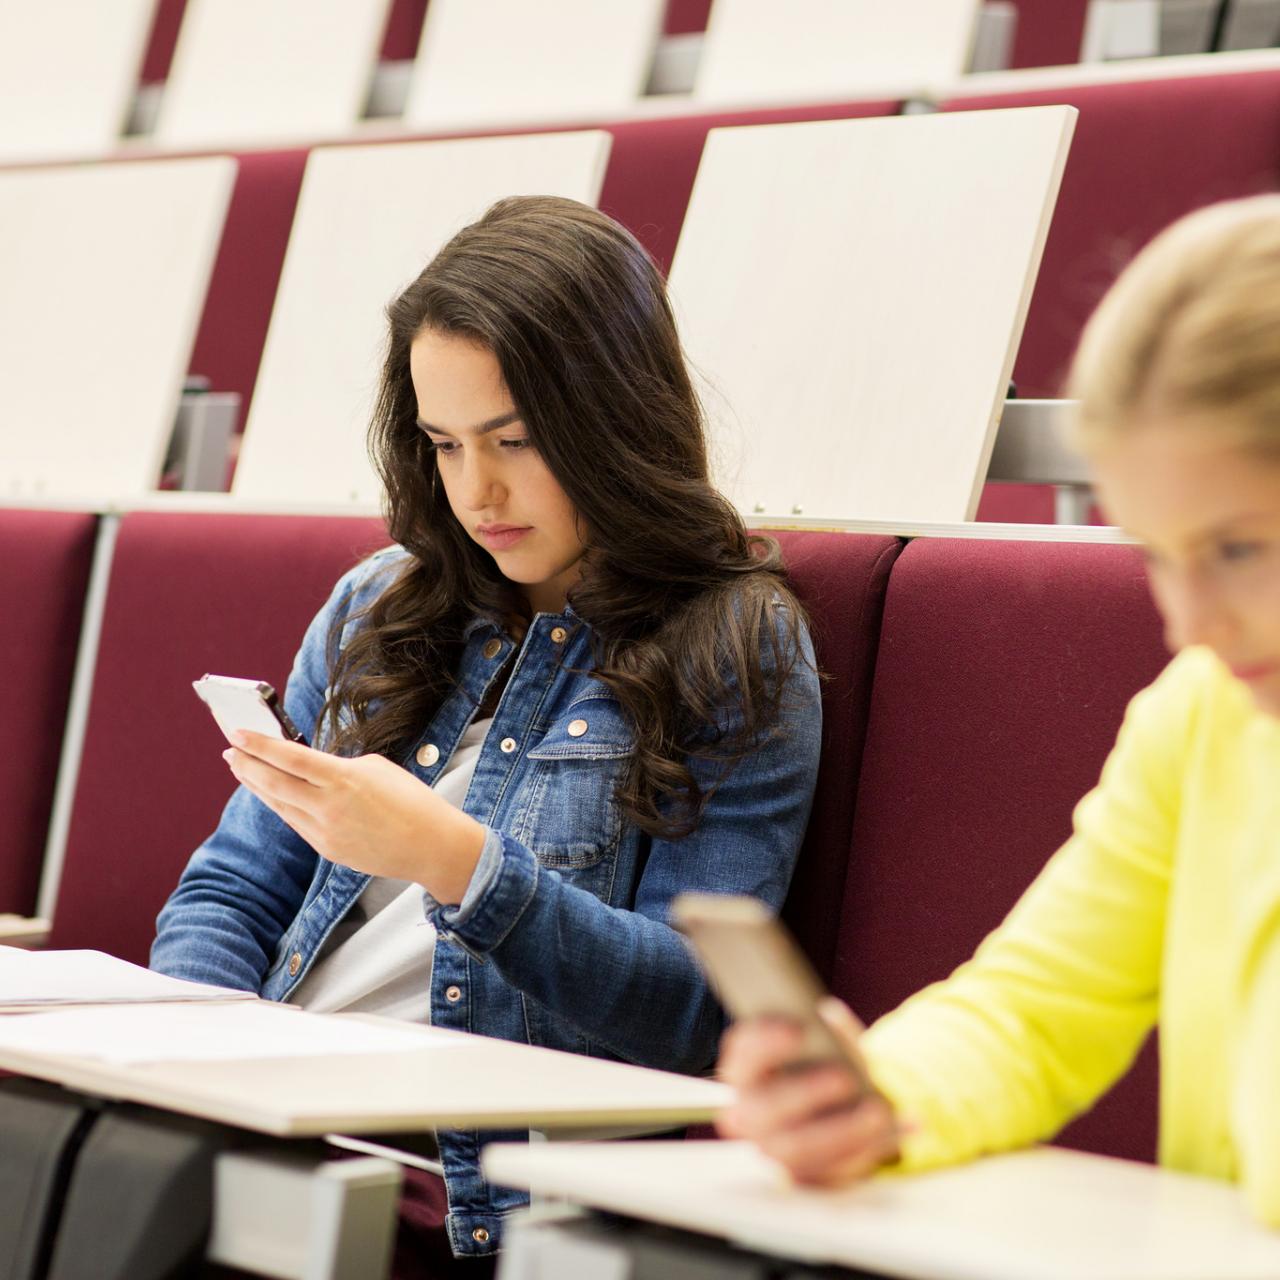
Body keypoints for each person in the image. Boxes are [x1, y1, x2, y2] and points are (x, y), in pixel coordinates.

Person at [151, 195, 821, 1268]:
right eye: (444, 443)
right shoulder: (380, 602)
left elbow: (695, 1011)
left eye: (512, 441)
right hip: (273, 1135)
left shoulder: (733, 646)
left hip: (455, 1194)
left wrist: (461, 867)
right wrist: (191, 1073)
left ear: (610, 419)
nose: (477, 491)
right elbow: (230, 891)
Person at [717, 194, 1280, 1229]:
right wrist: (874, 1096)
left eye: (1236, 548)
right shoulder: (1200, 715)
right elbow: (1030, 1010)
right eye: (1156, 555)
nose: (1187, 622)